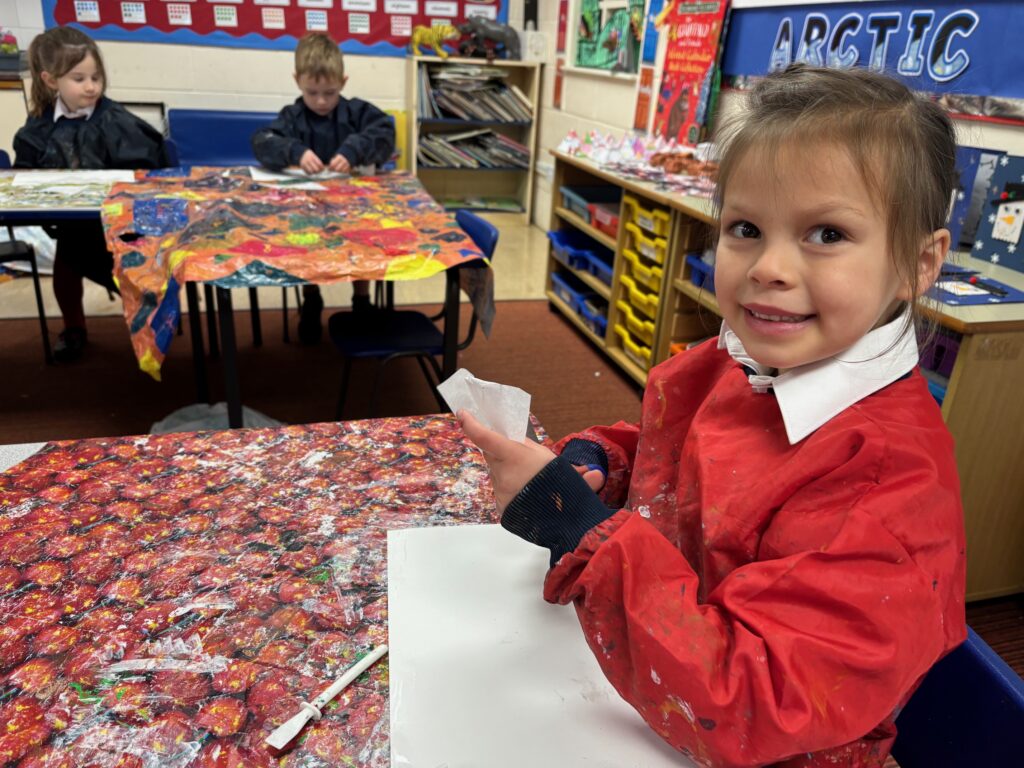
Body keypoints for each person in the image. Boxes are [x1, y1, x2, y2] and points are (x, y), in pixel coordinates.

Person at [461, 64, 966, 768]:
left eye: (826, 233)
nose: (770, 267)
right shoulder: (745, 361)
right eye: (746, 228)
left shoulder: (888, 489)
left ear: (918, 262)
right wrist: (603, 467)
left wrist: (580, 530)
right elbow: (691, 465)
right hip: (647, 687)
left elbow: (747, 702)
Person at [13, 27, 166, 363]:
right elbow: (25, 174)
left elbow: (151, 169)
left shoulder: (117, 121)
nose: (91, 86)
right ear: (51, 80)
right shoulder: (38, 127)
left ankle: (147, 325)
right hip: (73, 227)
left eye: (96, 77)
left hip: (121, 228)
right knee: (66, 262)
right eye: (79, 78)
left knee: (137, 272)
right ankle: (74, 327)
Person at [252, 32, 395, 344]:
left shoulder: (356, 112)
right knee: (304, 244)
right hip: (309, 210)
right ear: (297, 81)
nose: (320, 101)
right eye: (312, 92)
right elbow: (262, 142)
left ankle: (361, 300)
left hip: (355, 209)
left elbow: (385, 132)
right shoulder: (292, 117)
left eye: (329, 93)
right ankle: (312, 299)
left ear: (343, 82)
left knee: (364, 243)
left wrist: (356, 148)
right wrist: (295, 151)